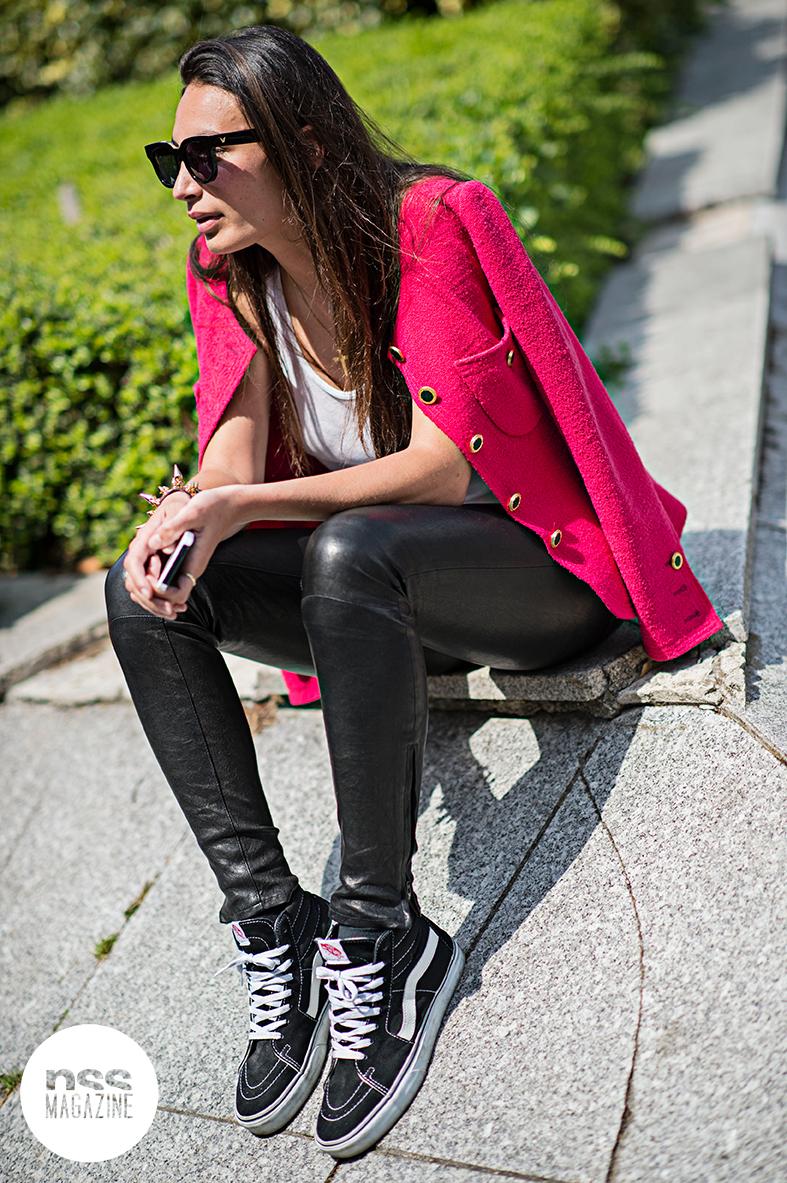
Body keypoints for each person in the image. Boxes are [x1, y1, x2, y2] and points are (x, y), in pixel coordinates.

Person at [104, 24, 723, 1162]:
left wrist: (241, 507)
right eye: (168, 161)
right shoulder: (229, 272)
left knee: (350, 551)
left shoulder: (426, 224)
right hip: (386, 592)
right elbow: (232, 455)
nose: (184, 185)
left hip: (533, 576)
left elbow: (446, 468)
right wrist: (189, 515)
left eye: (207, 155)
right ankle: (272, 918)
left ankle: (382, 932)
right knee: (145, 589)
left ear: (302, 144)